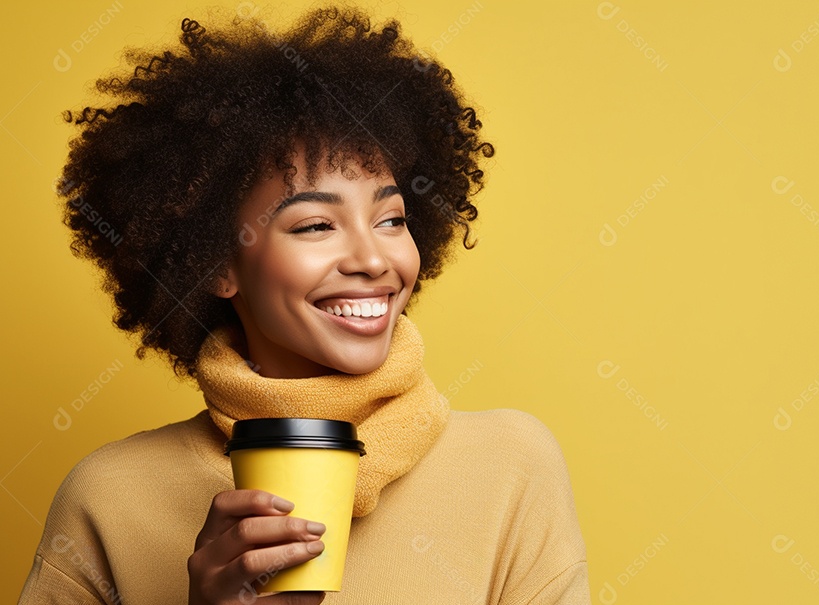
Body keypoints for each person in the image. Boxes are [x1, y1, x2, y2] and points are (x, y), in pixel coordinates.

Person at [18, 5, 590, 604]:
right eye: (316, 225)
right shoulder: (110, 497)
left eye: (391, 219)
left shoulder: (510, 465)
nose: (373, 259)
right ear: (217, 264)